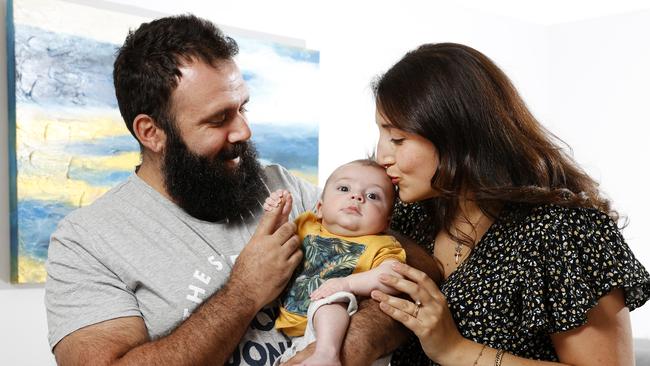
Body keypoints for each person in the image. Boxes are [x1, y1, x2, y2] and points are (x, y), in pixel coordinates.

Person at [43, 14, 429, 366]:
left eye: (242, 107)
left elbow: (419, 272)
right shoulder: (85, 243)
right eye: (218, 119)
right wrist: (243, 293)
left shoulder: (280, 184)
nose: (244, 131)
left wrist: (341, 349)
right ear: (151, 133)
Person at [368, 42, 650, 365]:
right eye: (381, 135)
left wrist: (456, 350)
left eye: (397, 139)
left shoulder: (562, 231)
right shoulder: (409, 218)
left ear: (455, 133)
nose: (382, 156)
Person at [264, 160, 406, 365]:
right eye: (344, 188)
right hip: (295, 340)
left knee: (331, 299)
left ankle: (327, 355)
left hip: (344, 334)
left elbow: (392, 277)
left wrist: (346, 284)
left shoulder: (382, 245)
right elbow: (276, 249)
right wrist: (278, 215)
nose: (357, 197)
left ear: (387, 222)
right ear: (320, 207)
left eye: (373, 196)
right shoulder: (307, 224)